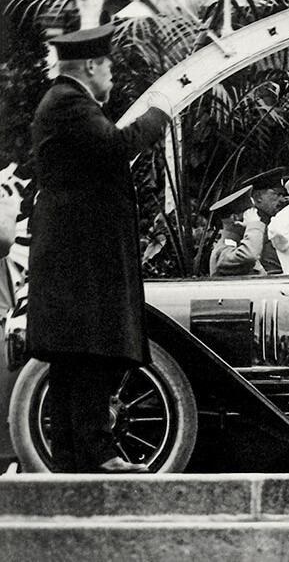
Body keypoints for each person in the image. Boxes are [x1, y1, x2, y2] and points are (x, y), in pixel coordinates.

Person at [25, 24, 170, 473]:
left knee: (75, 359)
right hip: (80, 260)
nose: (110, 76)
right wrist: (157, 117)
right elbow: (116, 146)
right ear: (91, 65)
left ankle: (76, 457)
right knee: (88, 351)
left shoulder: (63, 103)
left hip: (73, 256)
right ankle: (97, 453)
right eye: (107, 66)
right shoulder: (71, 102)